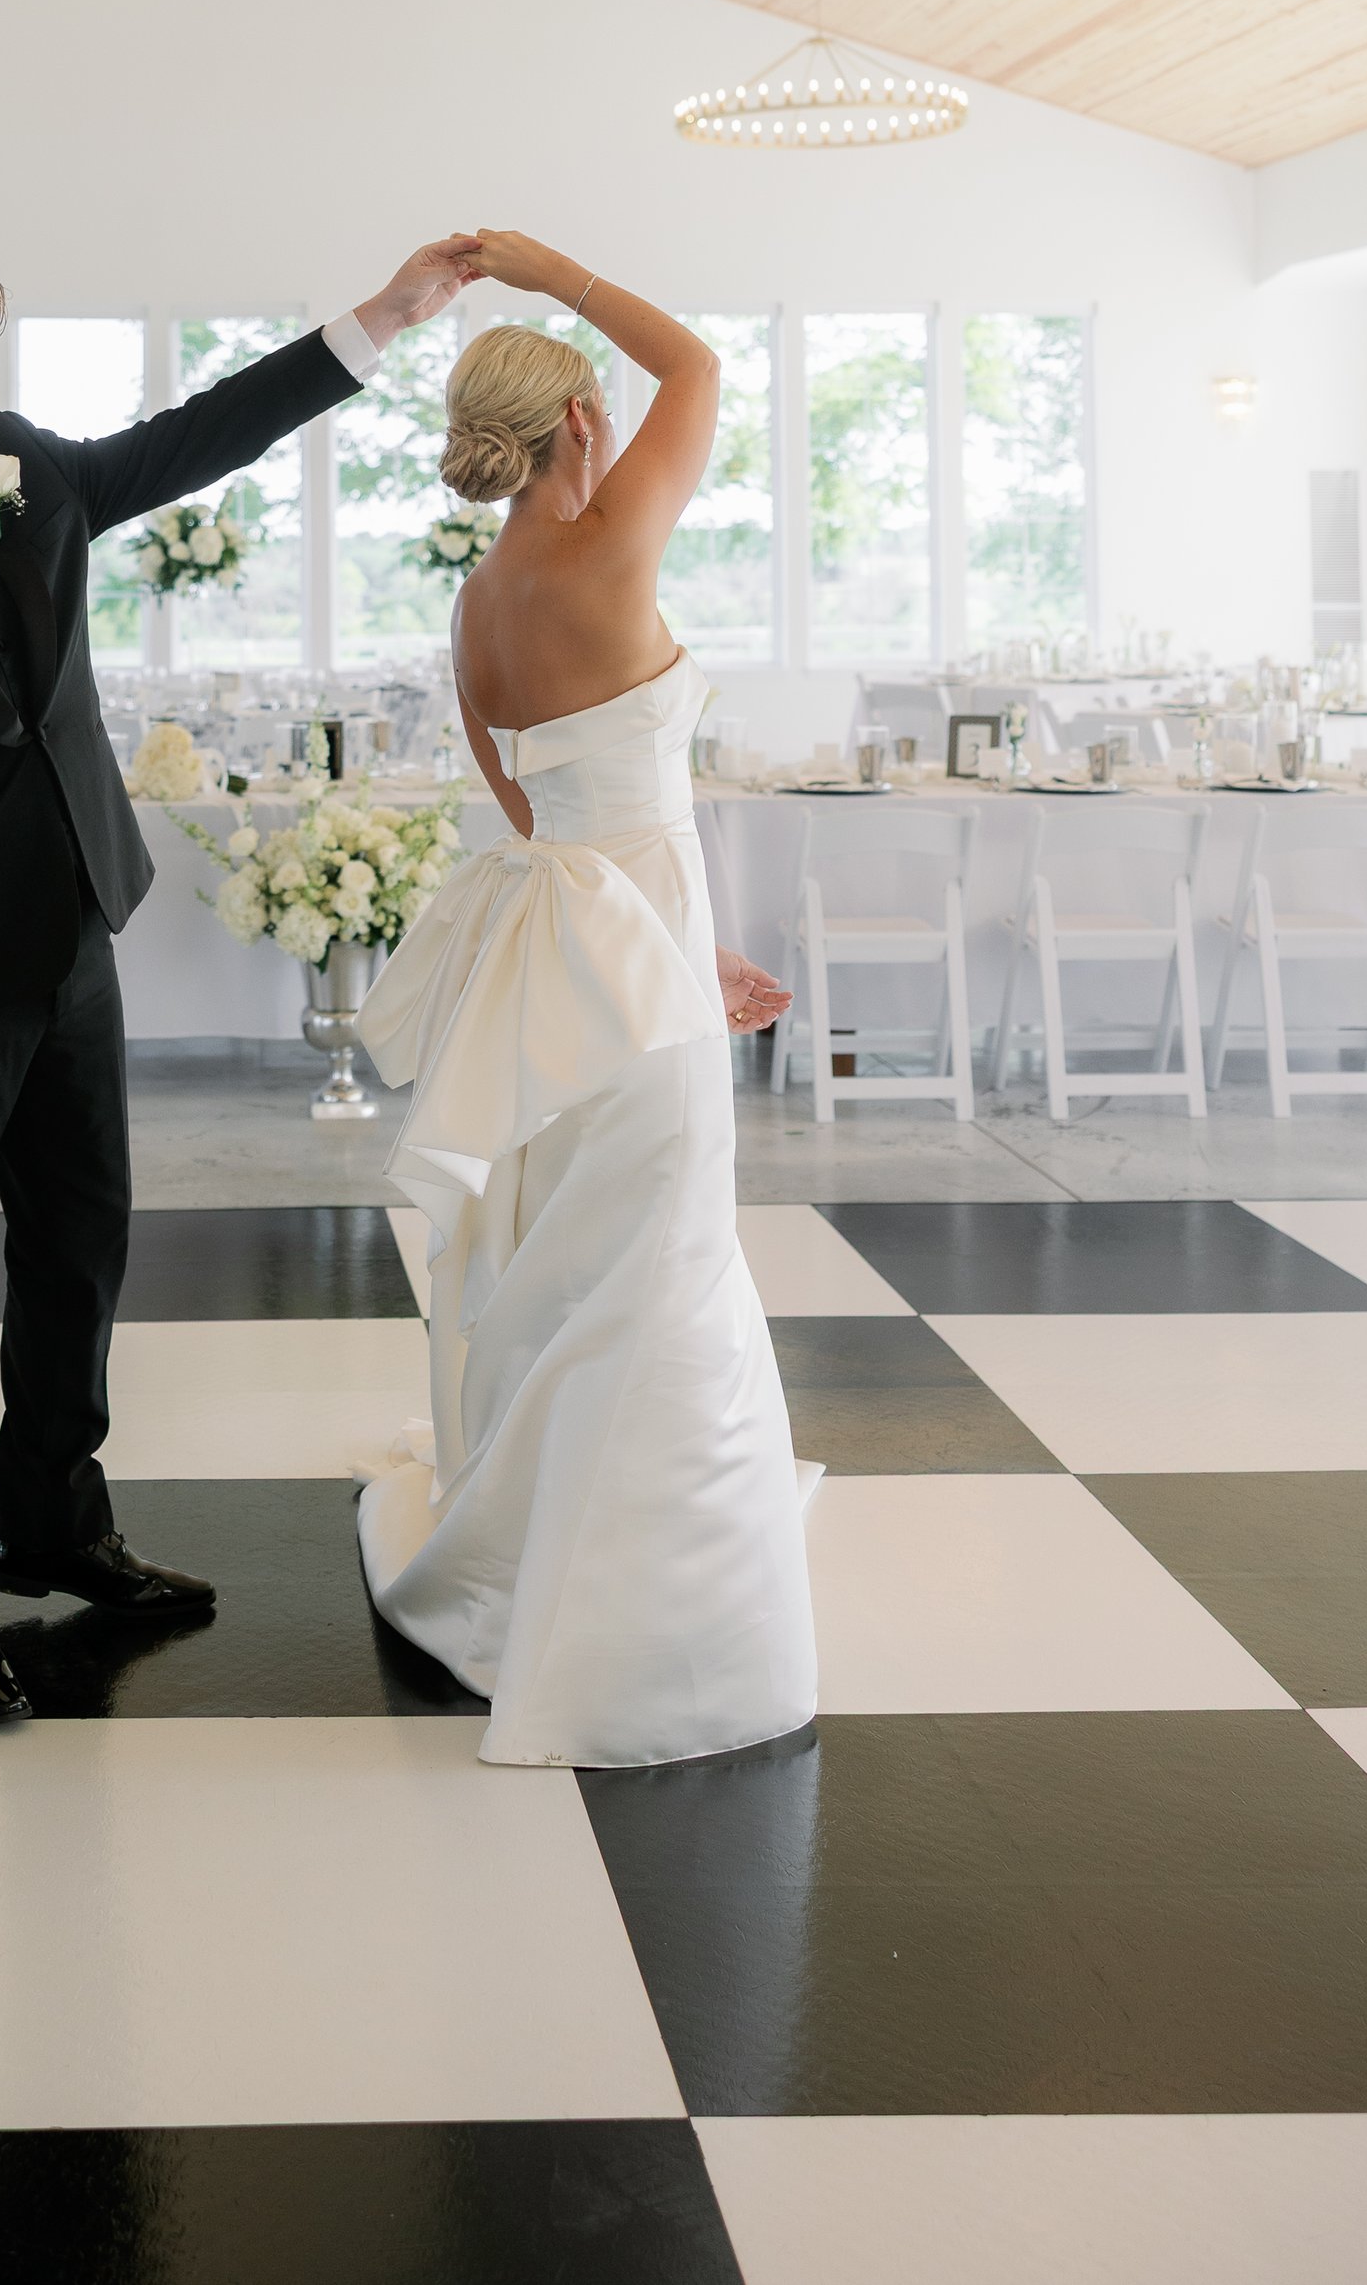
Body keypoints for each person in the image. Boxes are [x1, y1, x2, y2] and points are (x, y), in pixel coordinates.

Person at [0, 228, 479, 1727]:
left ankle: (55, 1525)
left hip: (72, 943)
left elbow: (198, 437)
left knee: (81, 1250)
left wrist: (383, 320)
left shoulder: (19, 462)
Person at [354, 234, 818, 1768]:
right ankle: (650, 1618)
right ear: (582, 427)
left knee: (567, 1252)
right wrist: (548, 269)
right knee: (664, 1250)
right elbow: (701, 362)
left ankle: (527, 1554)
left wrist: (697, 952)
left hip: (568, 961)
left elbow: (547, 823)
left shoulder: (479, 609)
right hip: (642, 952)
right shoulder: (612, 542)